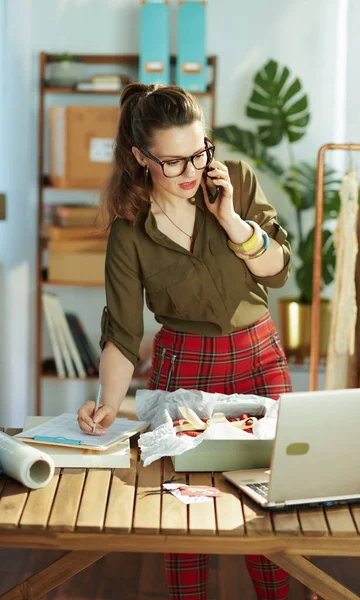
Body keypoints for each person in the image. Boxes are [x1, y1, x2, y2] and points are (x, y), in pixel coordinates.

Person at [77, 82, 293, 600]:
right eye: (172, 162)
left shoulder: (233, 180)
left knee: (275, 505)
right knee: (183, 512)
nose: (191, 172)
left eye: (198, 154)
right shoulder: (129, 231)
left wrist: (232, 220)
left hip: (259, 357)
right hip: (186, 369)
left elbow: (279, 269)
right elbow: (124, 335)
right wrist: (107, 406)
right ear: (140, 157)